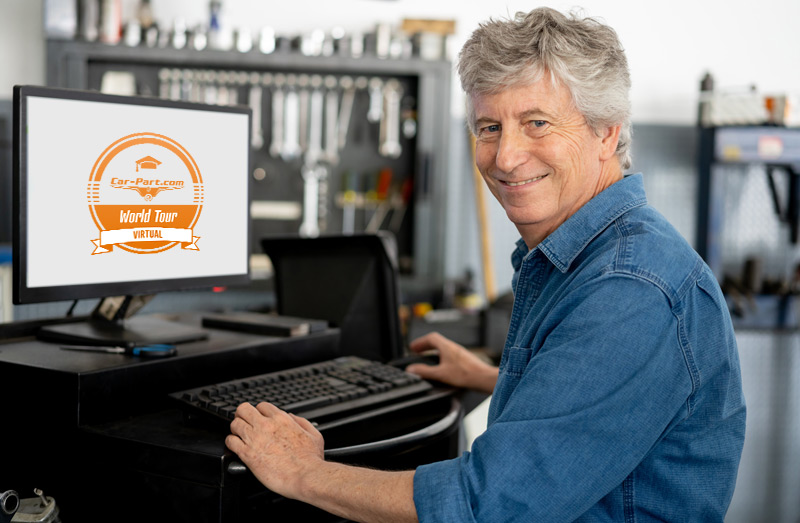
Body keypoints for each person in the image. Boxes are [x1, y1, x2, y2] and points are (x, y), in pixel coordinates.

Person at [225, 7, 746, 521]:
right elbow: (600, 406)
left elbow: (488, 506)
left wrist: (302, 474)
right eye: (489, 127)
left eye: (537, 123)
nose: (505, 156)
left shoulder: (629, 290)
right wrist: (497, 378)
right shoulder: (586, 257)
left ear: (606, 132)